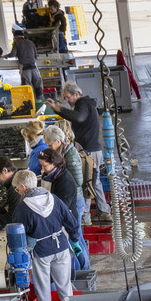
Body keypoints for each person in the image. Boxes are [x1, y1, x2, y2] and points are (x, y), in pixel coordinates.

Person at [7, 169, 80, 301]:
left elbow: (18, 236)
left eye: (17, 188)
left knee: (44, 290)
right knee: (65, 287)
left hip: (41, 252)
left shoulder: (22, 208)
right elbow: (71, 222)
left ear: (24, 187)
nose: (18, 192)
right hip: (61, 247)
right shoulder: (54, 199)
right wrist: (75, 240)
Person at [53, 81, 107, 215]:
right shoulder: (86, 104)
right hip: (94, 149)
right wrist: (59, 110)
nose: (66, 100)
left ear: (76, 94)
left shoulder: (83, 104)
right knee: (95, 181)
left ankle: (85, 215)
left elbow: (79, 118)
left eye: (67, 97)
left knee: (86, 182)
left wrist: (60, 109)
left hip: (88, 150)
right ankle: (105, 211)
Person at [37, 147, 88, 270]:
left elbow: (62, 208)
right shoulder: (53, 176)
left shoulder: (65, 181)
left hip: (67, 221)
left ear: (54, 164)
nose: (42, 169)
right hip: (62, 219)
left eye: (44, 166)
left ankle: (85, 271)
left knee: (75, 247)